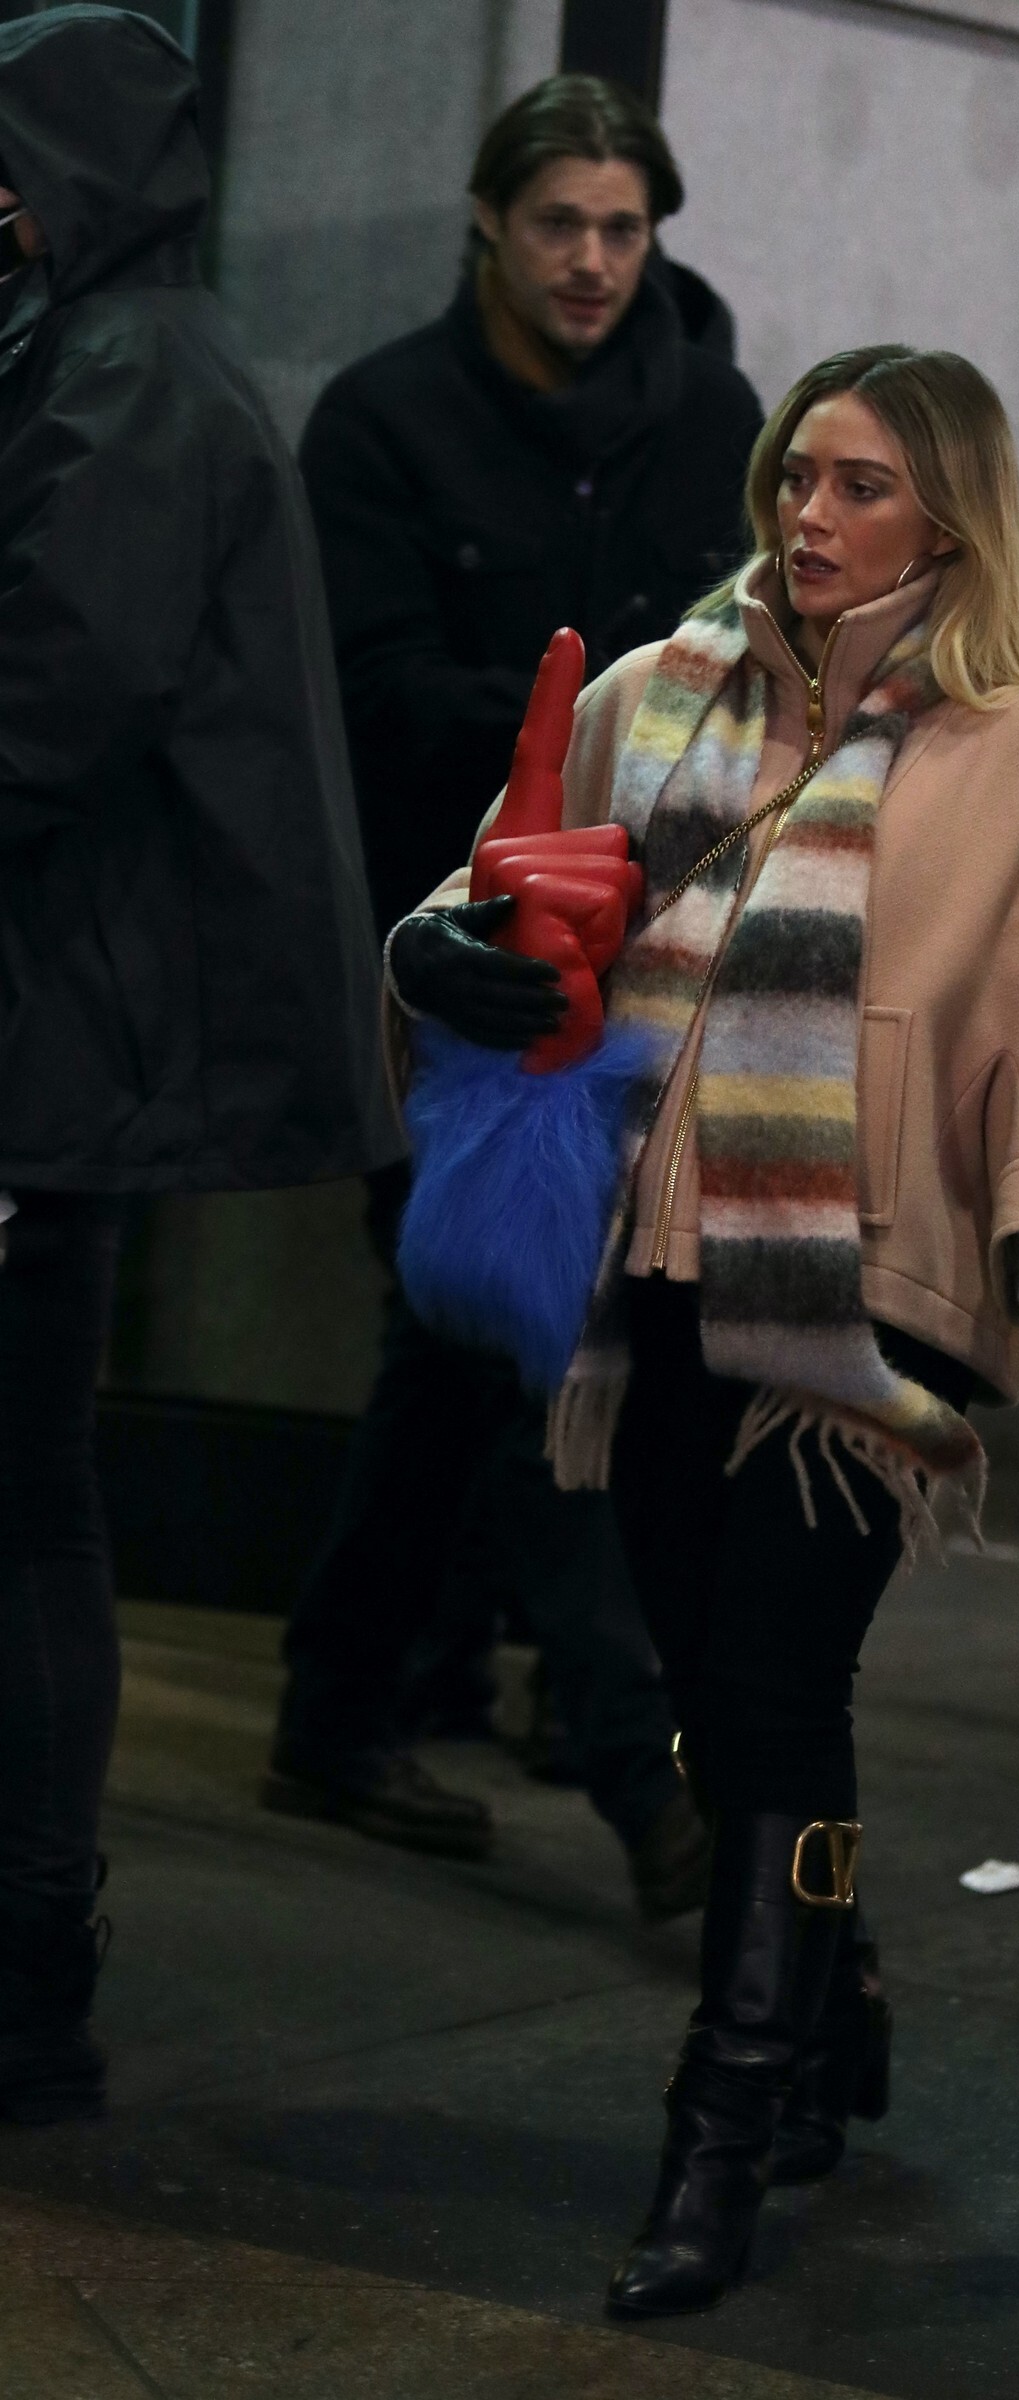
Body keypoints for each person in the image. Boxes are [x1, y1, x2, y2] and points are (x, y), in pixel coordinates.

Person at [389, 345, 1019, 2314]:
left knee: (768, 1688)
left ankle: (720, 2135)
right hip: (650, 1277)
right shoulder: (659, 693)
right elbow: (490, 884)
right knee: (725, 1700)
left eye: (857, 487)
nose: (807, 519)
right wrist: (436, 951)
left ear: (947, 518)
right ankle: (833, 1996)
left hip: (866, 1301)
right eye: (792, 478)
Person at [264, 74, 762, 1903]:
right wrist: (594, 739)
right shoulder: (385, 420)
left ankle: (343, 1706)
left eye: (624, 228)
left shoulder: (709, 419)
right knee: (514, 1326)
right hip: (449, 961)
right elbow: (369, 695)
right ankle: (648, 1785)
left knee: (468, 1347)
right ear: (489, 219)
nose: (592, 261)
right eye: (559, 222)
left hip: (648, 962)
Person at [0, 6, 399, 2125]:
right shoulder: (115, 353)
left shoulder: (133, 373)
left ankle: (26, 1974)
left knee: (23, 1510)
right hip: (60, 1030)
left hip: (49, 1041)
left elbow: (48, 700)